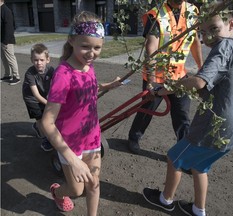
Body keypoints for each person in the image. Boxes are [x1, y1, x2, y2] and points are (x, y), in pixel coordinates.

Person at [142, 3, 233, 216]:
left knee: (174, 158)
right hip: (230, 132)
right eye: (202, 32)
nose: (209, 37)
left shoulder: (223, 48)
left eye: (214, 29)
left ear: (231, 24)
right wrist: (190, 83)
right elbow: (216, 84)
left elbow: (200, 82)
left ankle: (165, 200)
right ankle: (198, 210)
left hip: (213, 126)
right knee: (200, 166)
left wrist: (166, 89)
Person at [41, 11, 122, 215]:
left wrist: (106, 86)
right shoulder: (63, 75)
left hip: (92, 136)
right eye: (85, 46)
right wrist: (73, 160)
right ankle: (58, 193)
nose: (91, 53)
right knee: (76, 190)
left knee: (94, 184)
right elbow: (47, 122)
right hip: (69, 142)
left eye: (97, 48)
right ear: (72, 40)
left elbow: (86, 91)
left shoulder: (88, 66)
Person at [127, 0, 203, 154]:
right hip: (157, 77)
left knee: (182, 116)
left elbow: (195, 41)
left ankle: (184, 151)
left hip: (180, 76)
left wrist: (202, 69)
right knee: (147, 109)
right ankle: (133, 138)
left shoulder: (192, 11)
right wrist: (151, 82)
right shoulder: (156, 15)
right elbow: (151, 48)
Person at [22, 43, 54, 151]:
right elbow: (36, 95)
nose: (39, 63)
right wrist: (50, 104)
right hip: (32, 99)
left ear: (47, 59)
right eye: (35, 60)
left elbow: (56, 86)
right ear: (31, 60)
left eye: (41, 60)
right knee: (40, 119)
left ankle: (37, 127)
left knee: (48, 116)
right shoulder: (30, 73)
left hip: (43, 95)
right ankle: (46, 139)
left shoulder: (51, 70)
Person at [0, 0, 21, 85]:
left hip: (7, 40)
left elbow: (10, 27)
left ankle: (16, 77)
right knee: (4, 59)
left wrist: (5, 41)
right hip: (1, 40)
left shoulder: (6, 10)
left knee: (10, 58)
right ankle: (7, 75)